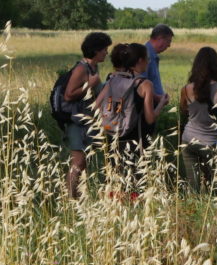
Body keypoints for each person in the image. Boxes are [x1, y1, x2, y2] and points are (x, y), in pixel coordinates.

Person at [94, 43, 167, 194]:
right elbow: (150, 118)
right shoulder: (145, 84)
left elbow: (95, 107)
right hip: (137, 140)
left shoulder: (112, 79)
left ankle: (116, 208)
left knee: (115, 177)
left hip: (113, 137)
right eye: (147, 59)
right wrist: (161, 104)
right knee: (137, 179)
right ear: (139, 61)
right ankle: (135, 208)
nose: (148, 62)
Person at [64, 32, 112, 199]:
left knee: (83, 162)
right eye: (104, 49)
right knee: (77, 162)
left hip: (86, 121)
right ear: (96, 50)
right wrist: (90, 85)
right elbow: (68, 94)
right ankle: (70, 198)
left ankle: (78, 197)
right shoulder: (81, 68)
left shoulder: (93, 67)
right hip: (76, 122)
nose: (107, 52)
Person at [179, 47, 217, 191]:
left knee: (193, 185)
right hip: (211, 141)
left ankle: (192, 210)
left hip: (188, 139)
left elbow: (184, 111)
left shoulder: (186, 88)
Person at [144, 24, 174, 101]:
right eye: (168, 41)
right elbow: (140, 85)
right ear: (160, 38)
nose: (169, 45)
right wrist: (159, 98)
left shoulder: (151, 54)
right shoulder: (145, 55)